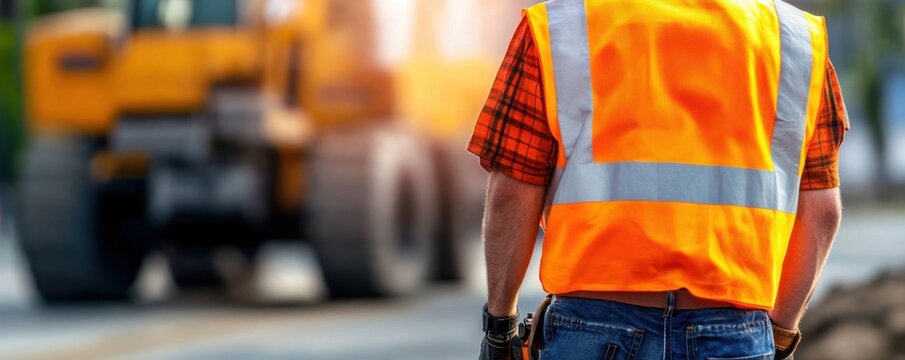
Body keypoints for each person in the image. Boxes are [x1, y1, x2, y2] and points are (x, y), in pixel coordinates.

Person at [470, 0, 849, 359]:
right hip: (733, 330)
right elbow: (821, 210)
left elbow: (513, 191)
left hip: (593, 325)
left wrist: (500, 325)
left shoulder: (559, 27)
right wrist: (780, 332)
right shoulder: (797, 39)